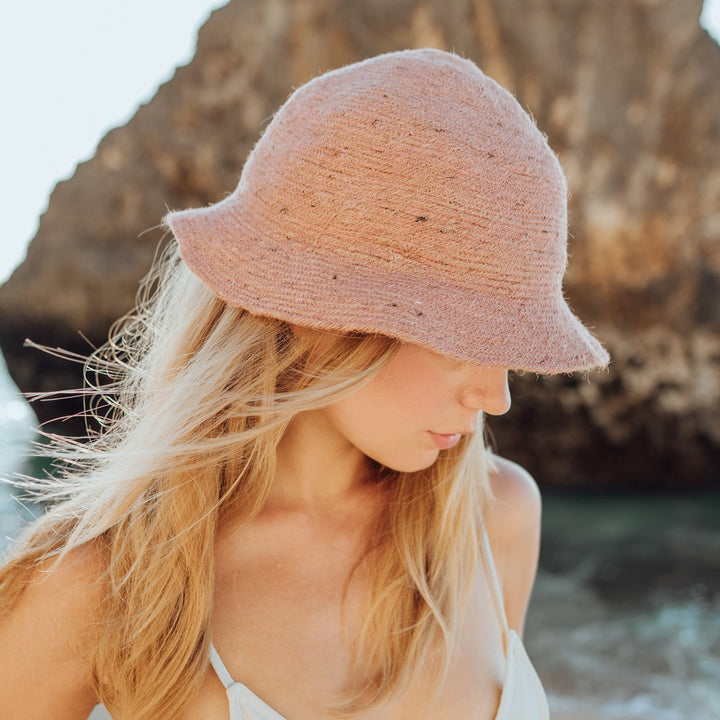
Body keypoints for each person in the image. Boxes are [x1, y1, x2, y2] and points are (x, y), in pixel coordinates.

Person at [0, 48, 608, 720]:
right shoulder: (103, 587)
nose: (498, 398)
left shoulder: (496, 521)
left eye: (511, 350)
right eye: (468, 341)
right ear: (324, 318)